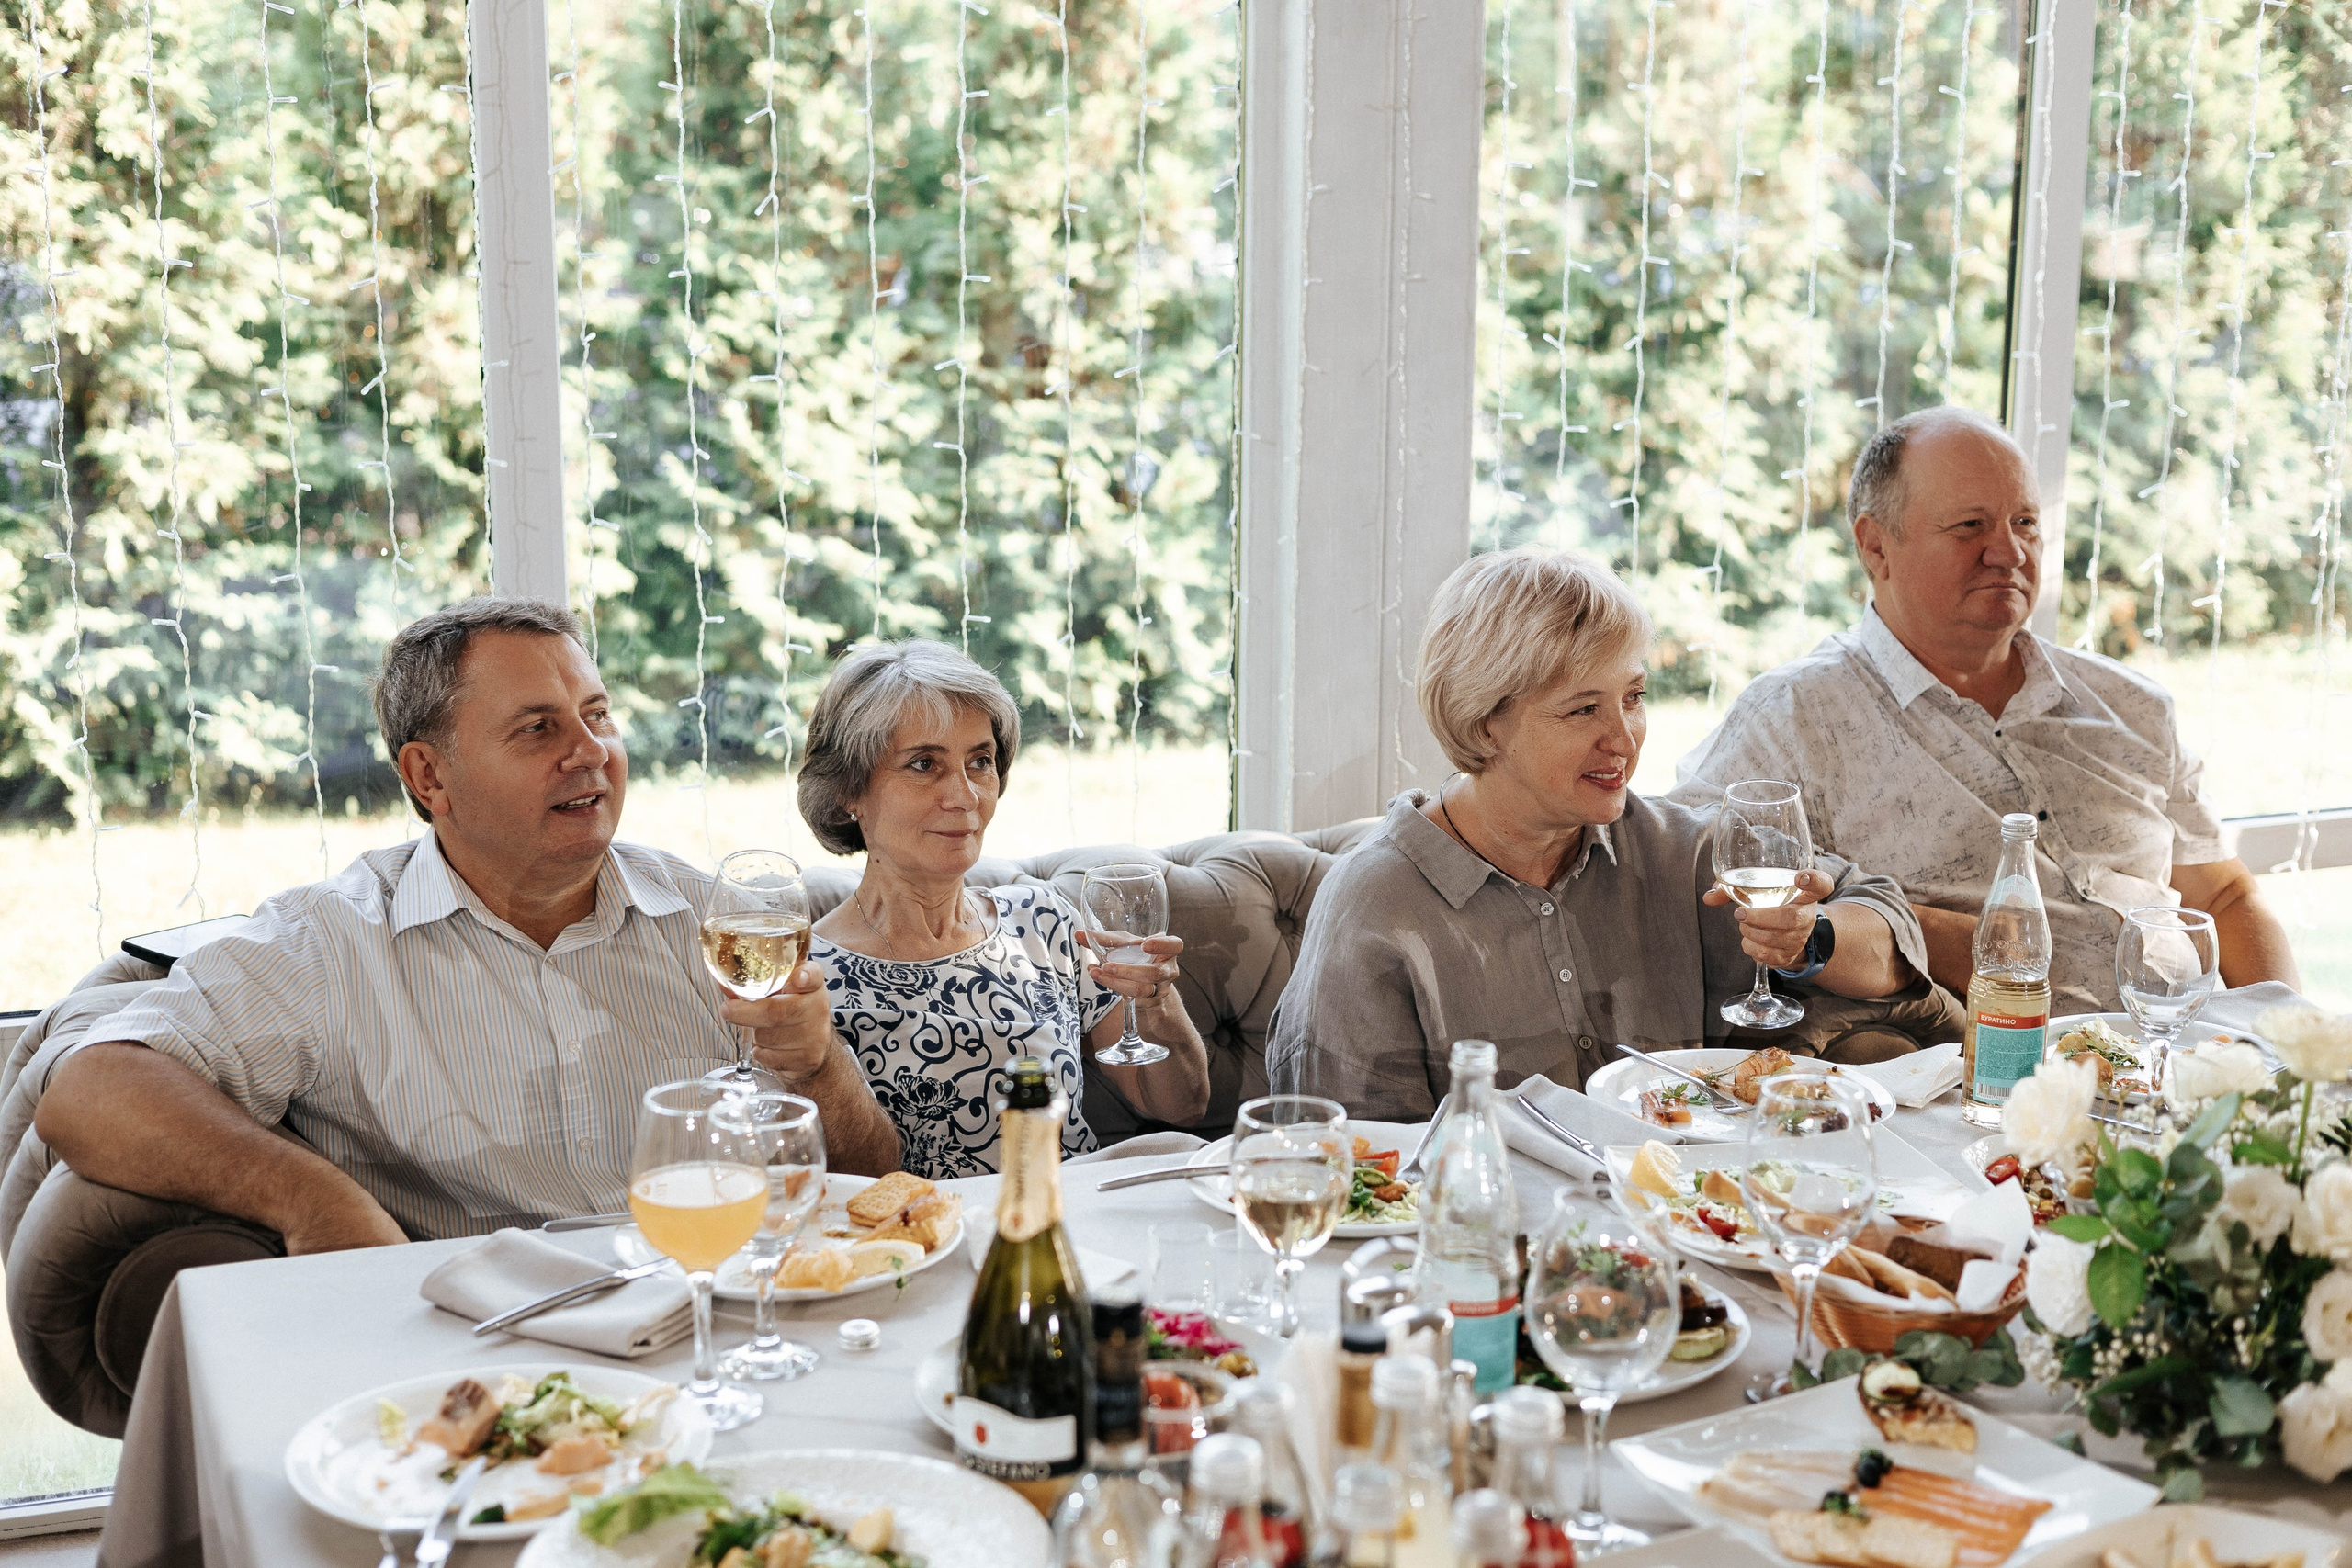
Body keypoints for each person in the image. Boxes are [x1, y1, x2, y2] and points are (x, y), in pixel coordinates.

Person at [33, 598, 899, 1249]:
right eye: (538, 728)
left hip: (713, 1305)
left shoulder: (715, 920)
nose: (591, 752)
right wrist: (314, 1199)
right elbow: (89, 1089)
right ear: (429, 776)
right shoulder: (333, 943)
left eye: (598, 715)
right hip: (489, 1350)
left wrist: (818, 1064)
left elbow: (872, 1182)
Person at [1671, 406, 2301, 1013]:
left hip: (2181, 1051)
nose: (2010, 551)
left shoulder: (2134, 706)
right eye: (1970, 525)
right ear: (1875, 546)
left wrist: (2291, 1039)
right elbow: (1690, 866)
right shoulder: (1794, 717)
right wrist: (1861, 910)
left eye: (2024, 522)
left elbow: (2224, 894)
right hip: (1968, 1070)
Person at [1265, 548, 1929, 1121]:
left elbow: (1885, 914)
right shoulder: (1375, 906)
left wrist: (1810, 937)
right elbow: (1349, 1160)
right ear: (1485, 724)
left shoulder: (1680, 851)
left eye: (1633, 697)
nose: (1624, 738)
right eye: (1583, 708)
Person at [795, 640, 1210, 1178]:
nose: (966, 796)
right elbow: (837, 1183)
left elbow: (1181, 1105)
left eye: (980, 762)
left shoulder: (1043, 921)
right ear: (847, 791)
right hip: (922, 1227)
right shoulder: (806, 980)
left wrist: (1155, 1001)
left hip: (1069, 1215)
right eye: (924, 764)